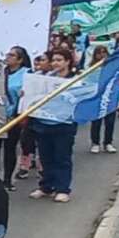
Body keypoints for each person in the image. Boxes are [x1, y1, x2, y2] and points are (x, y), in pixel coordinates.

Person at [29, 48, 79, 203]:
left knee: (62, 157)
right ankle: (46, 186)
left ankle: (63, 188)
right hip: (43, 122)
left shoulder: (76, 78)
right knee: (45, 157)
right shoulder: (44, 78)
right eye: (54, 60)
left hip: (64, 123)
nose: (55, 63)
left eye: (59, 60)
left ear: (67, 61)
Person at [0, 46, 29, 191]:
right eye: (7, 54)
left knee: (9, 148)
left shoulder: (26, 74)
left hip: (13, 116)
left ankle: (8, 179)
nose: (8, 57)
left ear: (20, 60)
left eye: (12, 55)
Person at [84, 47, 118, 154]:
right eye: (99, 53)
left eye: (104, 52)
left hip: (110, 98)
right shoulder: (91, 68)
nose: (102, 55)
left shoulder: (113, 67)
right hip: (97, 98)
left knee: (110, 122)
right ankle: (95, 143)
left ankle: (108, 142)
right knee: (96, 122)